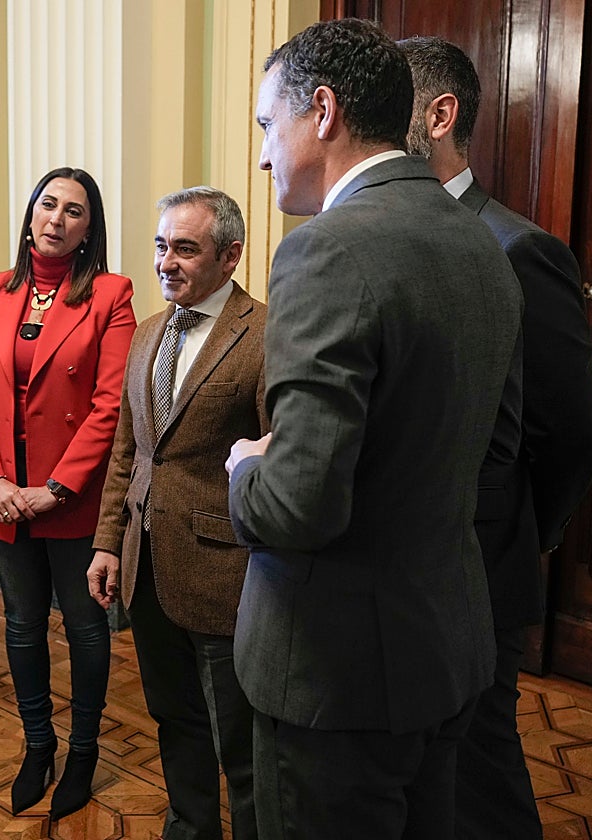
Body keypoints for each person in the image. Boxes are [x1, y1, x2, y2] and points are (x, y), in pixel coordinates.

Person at [225, 19, 523, 838]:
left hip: (336, 677)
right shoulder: (484, 238)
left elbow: (295, 509)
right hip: (446, 646)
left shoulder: (327, 250)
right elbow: (497, 452)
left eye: (264, 126)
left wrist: (247, 468)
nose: (261, 155)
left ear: (320, 112)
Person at [400, 35, 592, 839]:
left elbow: (573, 434)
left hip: (483, 567)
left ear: (439, 115)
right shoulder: (385, 239)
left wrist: (519, 527)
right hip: (406, 569)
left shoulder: (519, 250)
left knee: (482, 780)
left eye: (389, 109)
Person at [0, 166, 136, 821]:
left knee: (86, 629)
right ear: (30, 213)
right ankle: (39, 745)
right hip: (1, 496)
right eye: (47, 204)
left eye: (74, 211)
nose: (56, 218)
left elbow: (111, 405)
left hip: (72, 498)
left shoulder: (111, 296)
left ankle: (82, 752)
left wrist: (55, 489)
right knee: (22, 625)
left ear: (90, 229)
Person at [88, 187, 265, 840]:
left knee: (239, 740)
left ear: (230, 256)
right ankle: (190, 826)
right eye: (162, 245)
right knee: (174, 718)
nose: (166, 261)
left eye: (185, 248)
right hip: (145, 570)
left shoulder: (265, 334)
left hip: (227, 579)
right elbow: (127, 451)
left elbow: (277, 462)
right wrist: (108, 542)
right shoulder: (148, 331)